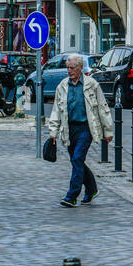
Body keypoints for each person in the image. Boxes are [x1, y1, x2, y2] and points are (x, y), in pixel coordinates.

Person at [45, 54, 113, 208]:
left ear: (80, 68)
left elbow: (103, 108)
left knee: (77, 159)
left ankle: (72, 196)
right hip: (69, 129)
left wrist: (108, 131)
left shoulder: (92, 85)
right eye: (68, 68)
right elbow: (56, 110)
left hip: (86, 128)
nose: (69, 71)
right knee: (77, 161)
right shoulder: (62, 86)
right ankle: (91, 189)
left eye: (72, 68)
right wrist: (53, 132)